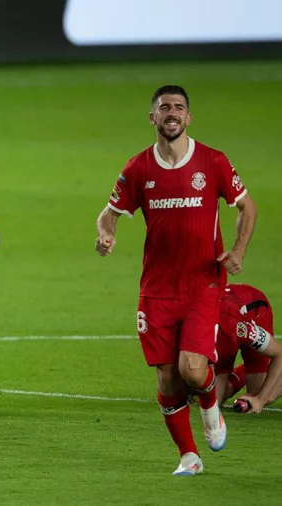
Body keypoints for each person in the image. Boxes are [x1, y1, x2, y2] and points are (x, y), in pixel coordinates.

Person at [95, 84, 258, 476]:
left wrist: (237, 250)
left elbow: (246, 207)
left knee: (191, 369)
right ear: (152, 117)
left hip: (202, 283)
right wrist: (106, 233)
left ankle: (208, 407)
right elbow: (109, 212)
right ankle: (189, 455)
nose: (172, 113)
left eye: (179, 107)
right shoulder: (138, 168)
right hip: (156, 290)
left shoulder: (213, 161)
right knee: (167, 378)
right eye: (164, 107)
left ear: (188, 117)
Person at [213, 283, 281, 413]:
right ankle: (239, 377)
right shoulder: (188, 325)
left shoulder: (237, 329)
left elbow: (279, 353)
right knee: (213, 402)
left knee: (260, 392)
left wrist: (260, 400)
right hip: (227, 322)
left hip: (256, 312)